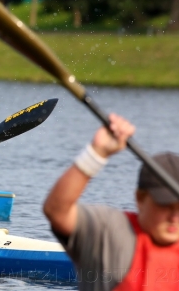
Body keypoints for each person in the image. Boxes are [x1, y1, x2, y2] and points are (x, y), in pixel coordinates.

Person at [43, 113, 179, 290]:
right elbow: (56, 211)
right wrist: (97, 153)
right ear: (140, 199)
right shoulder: (110, 232)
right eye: (165, 205)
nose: (174, 217)